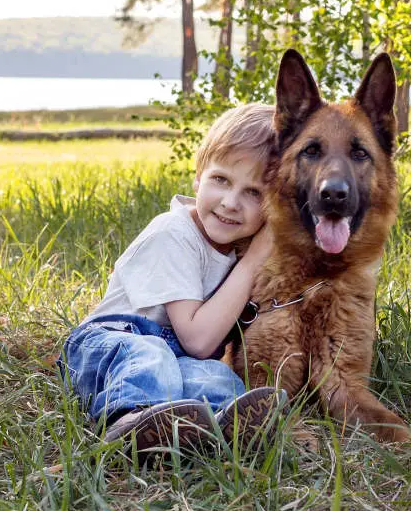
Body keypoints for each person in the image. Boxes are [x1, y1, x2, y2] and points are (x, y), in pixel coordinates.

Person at [60, 103, 283, 456]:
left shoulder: (234, 248)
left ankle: (227, 429)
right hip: (110, 346)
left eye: (253, 193)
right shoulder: (173, 233)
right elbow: (197, 339)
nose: (230, 202)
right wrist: (255, 259)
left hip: (174, 359)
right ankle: (129, 424)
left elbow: (199, 356)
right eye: (221, 180)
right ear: (198, 176)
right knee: (152, 356)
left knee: (214, 377)